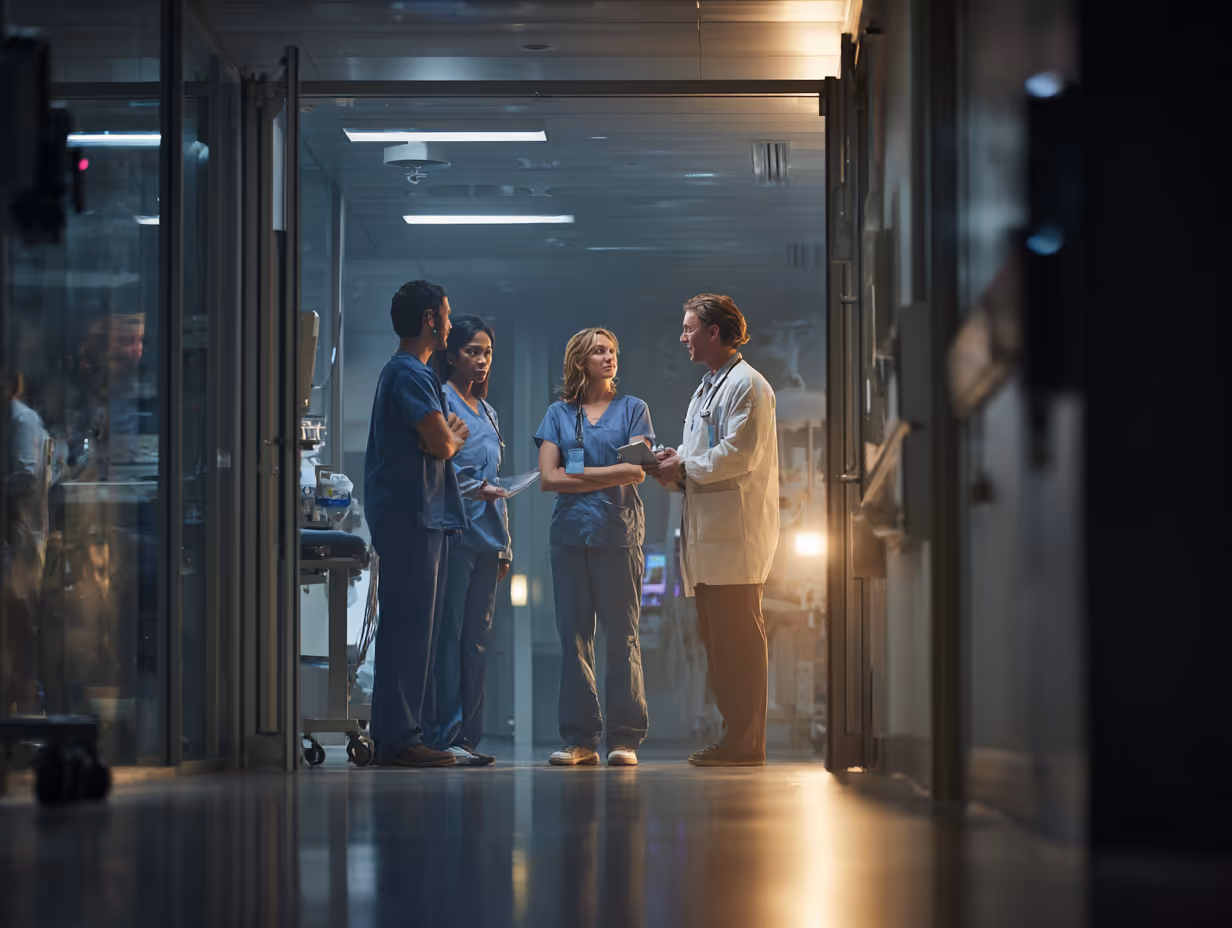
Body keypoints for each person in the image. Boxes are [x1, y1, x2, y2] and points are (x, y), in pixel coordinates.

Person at [645, 294, 779, 766]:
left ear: (714, 332)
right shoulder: (707, 388)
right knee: (720, 649)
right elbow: (699, 456)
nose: (682, 337)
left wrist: (684, 465)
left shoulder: (749, 385)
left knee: (739, 644)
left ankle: (746, 742)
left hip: (735, 541)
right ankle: (735, 738)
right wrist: (672, 464)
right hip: (707, 542)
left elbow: (739, 454)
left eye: (688, 329)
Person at [535, 328, 653, 767]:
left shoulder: (633, 409)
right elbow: (548, 479)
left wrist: (580, 476)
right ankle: (580, 741)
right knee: (574, 638)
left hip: (618, 535)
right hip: (569, 538)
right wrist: (612, 471)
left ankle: (624, 740)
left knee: (622, 638)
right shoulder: (558, 415)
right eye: (599, 352)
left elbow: (638, 473)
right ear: (580, 361)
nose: (609, 358)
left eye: (612, 351)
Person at [364, 280, 470, 768]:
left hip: (419, 513)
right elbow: (444, 443)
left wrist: (444, 436)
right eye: (446, 315)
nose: (450, 322)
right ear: (431, 318)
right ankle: (401, 739)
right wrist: (448, 436)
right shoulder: (408, 374)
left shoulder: (415, 374)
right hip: (412, 515)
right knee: (409, 628)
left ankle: (401, 735)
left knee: (413, 629)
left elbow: (440, 438)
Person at [428, 315, 512, 766]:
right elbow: (439, 474)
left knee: (477, 641)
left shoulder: (489, 412)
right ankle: (444, 734)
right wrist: (476, 490)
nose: (482, 361)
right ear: (452, 355)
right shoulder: (441, 400)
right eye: (473, 352)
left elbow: (496, 479)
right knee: (450, 637)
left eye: (488, 353)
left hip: (488, 539)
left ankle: (469, 739)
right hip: (456, 535)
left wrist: (506, 546)